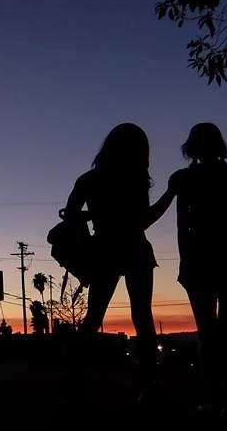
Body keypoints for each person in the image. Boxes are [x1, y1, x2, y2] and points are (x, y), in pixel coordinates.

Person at [62, 122, 173, 402]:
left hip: (104, 250)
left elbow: (70, 216)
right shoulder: (134, 178)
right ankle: (148, 387)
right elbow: (143, 220)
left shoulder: (89, 179)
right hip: (135, 248)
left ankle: (73, 380)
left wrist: (92, 224)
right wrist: (170, 194)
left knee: (93, 318)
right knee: (142, 318)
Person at [167, 122, 227, 414]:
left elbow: (183, 227)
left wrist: (186, 262)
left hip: (200, 260)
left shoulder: (184, 178)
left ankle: (213, 397)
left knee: (207, 332)